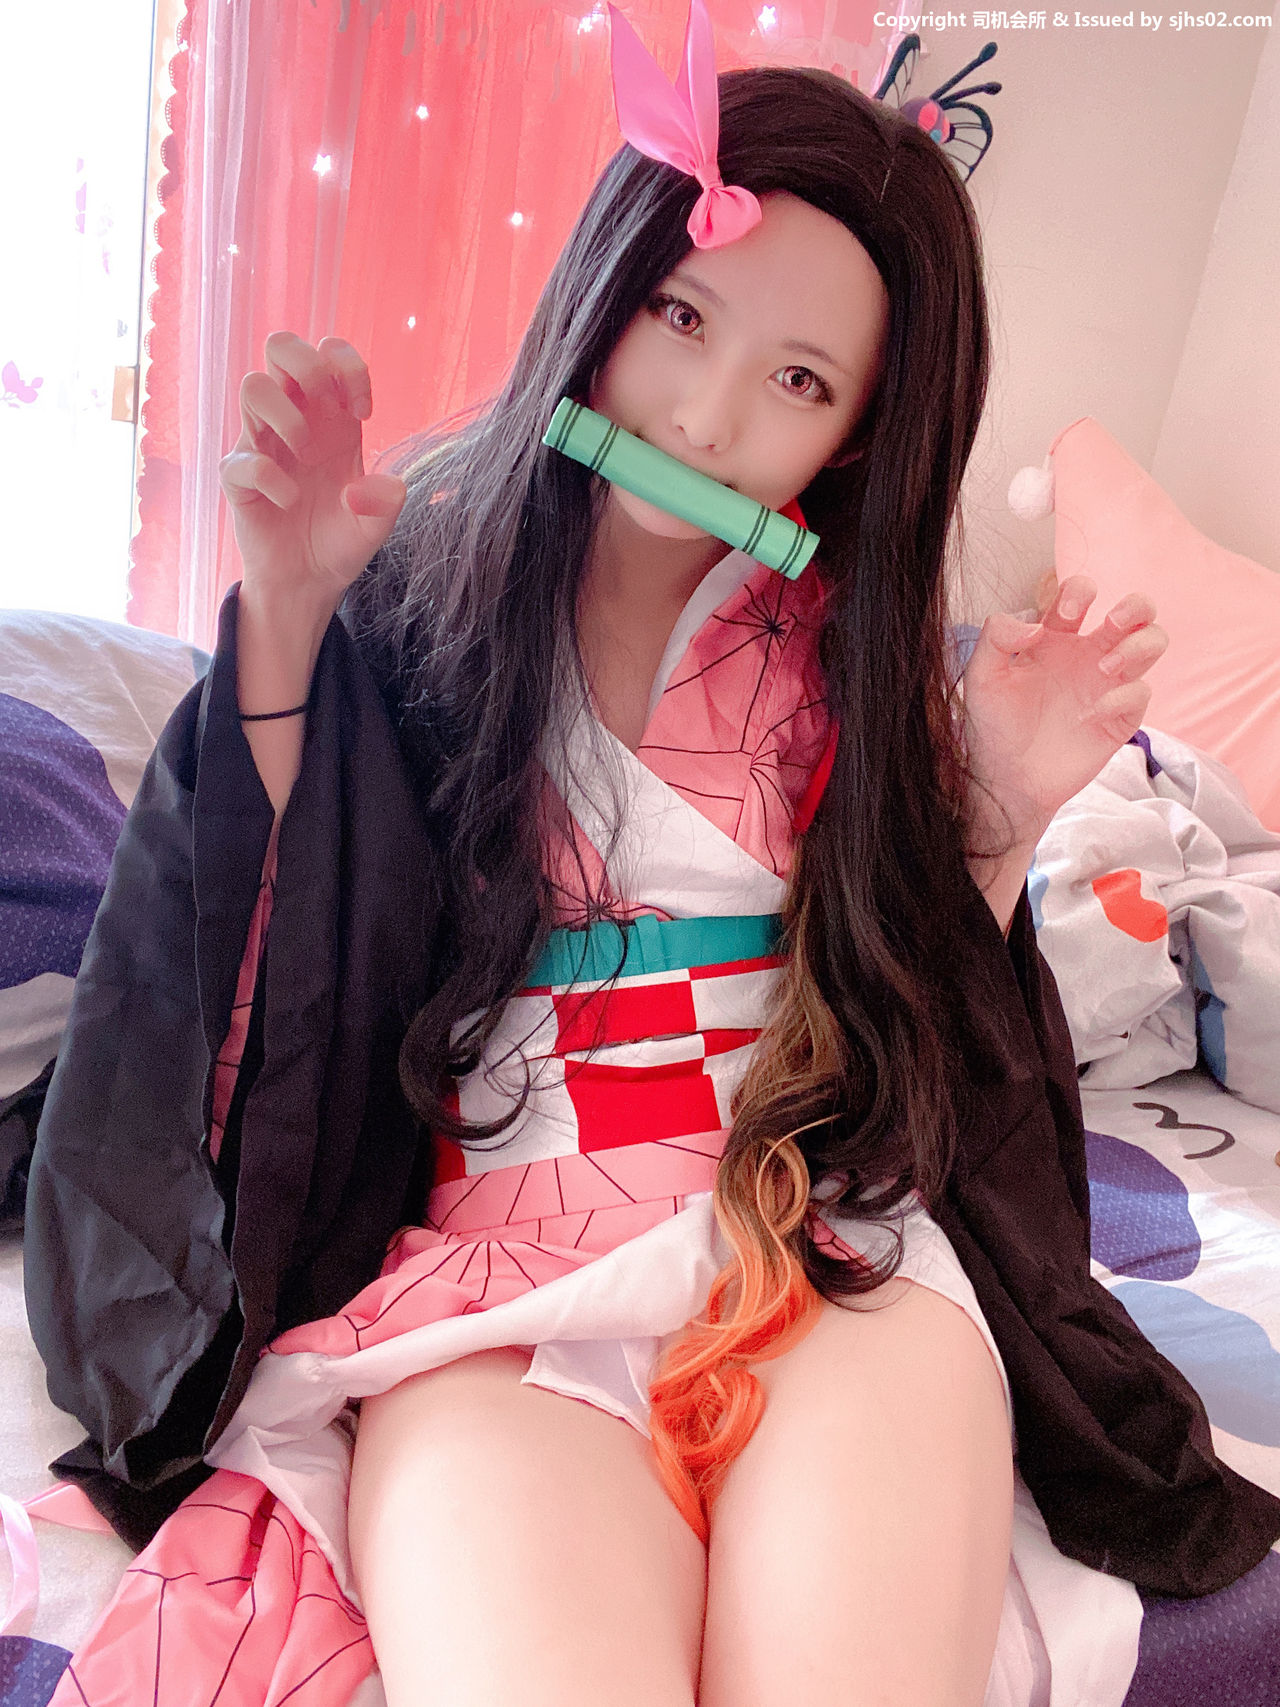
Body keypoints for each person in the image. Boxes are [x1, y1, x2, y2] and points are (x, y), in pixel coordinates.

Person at [22, 25, 1280, 1707]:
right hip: (503, 1267)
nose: (705, 414)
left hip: (826, 1235)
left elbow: (927, 1024)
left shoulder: (859, 663)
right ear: (605, 292)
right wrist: (289, 621)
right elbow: (267, 932)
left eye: (800, 382)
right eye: (683, 317)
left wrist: (1004, 808)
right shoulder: (419, 602)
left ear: (858, 436)